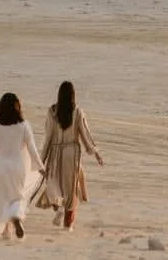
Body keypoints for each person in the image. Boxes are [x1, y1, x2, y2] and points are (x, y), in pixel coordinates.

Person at [37, 80, 105, 230]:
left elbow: (48, 137)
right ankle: (68, 226)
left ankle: (59, 208)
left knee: (54, 185)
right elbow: (85, 134)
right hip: (72, 154)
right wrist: (96, 153)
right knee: (71, 190)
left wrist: (41, 160)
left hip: (55, 153)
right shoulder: (78, 111)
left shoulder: (51, 112)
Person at [0, 92, 44, 240]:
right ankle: (15, 216)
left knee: (2, 199)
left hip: (0, 166)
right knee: (16, 197)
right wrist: (41, 167)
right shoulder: (24, 126)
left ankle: (7, 232)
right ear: (18, 108)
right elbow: (32, 148)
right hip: (18, 166)